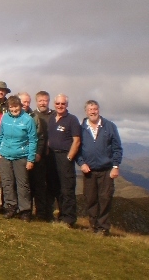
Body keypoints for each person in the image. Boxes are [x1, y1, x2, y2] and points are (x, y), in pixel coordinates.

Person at [77, 100, 122, 235]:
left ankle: (103, 228)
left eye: (95, 109)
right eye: (90, 109)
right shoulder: (81, 128)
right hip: (89, 171)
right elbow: (76, 148)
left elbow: (117, 148)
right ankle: (93, 226)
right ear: (86, 111)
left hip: (106, 170)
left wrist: (115, 166)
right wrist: (81, 163)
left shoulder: (109, 126)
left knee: (105, 198)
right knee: (90, 199)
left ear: (99, 110)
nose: (93, 112)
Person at [0, 96, 37, 222]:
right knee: (7, 182)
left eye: (16, 106)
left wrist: (30, 159)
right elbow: (0, 135)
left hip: (21, 156)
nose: (14, 109)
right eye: (11, 107)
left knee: (22, 184)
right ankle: (10, 207)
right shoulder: (5, 118)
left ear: (20, 106)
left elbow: (33, 140)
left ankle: (25, 211)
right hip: (5, 155)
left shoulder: (28, 120)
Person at [47, 93, 81, 226]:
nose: (60, 106)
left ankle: (69, 219)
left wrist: (69, 157)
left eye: (63, 104)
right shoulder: (51, 118)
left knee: (67, 188)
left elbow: (77, 140)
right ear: (54, 104)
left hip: (65, 156)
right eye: (57, 104)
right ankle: (60, 215)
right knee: (55, 188)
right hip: (51, 157)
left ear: (67, 105)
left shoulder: (72, 119)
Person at [20, 91, 49, 221]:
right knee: (23, 185)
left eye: (27, 102)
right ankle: (24, 211)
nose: (25, 104)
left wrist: (37, 153)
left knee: (38, 185)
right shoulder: (12, 115)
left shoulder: (34, 117)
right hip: (19, 156)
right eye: (23, 102)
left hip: (33, 157)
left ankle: (41, 214)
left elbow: (40, 138)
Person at [33, 90, 55, 221]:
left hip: (52, 156)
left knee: (51, 185)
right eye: (40, 100)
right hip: (37, 155)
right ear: (37, 102)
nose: (43, 103)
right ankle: (39, 212)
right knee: (38, 184)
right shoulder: (32, 115)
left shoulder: (54, 115)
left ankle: (48, 212)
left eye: (45, 100)